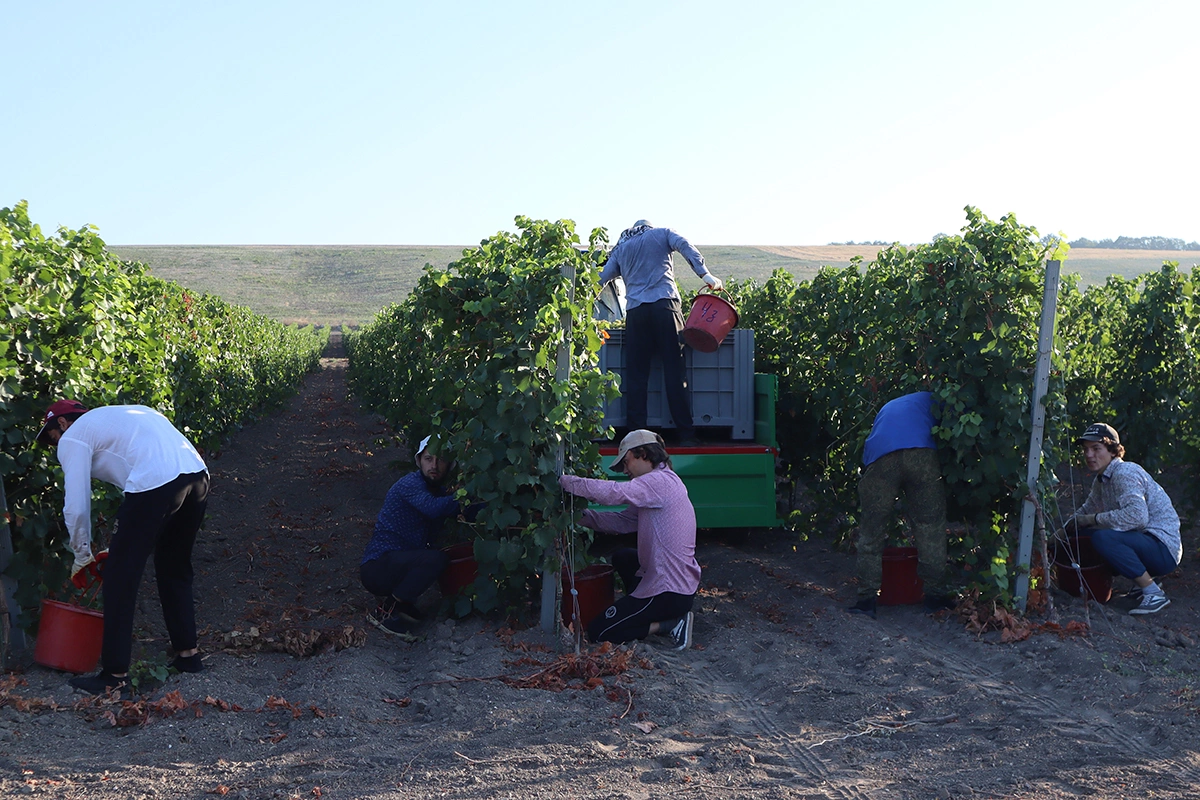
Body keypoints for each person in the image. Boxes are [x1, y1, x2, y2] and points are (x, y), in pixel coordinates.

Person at [36, 400, 210, 695]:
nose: (55, 447)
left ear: (63, 423)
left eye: (52, 437)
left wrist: (81, 555)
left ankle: (114, 676)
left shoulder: (74, 436)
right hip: (197, 475)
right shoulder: (123, 415)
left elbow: (77, 506)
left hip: (157, 482)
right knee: (174, 568)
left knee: (119, 578)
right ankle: (188, 657)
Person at [558, 429, 700, 649]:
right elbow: (623, 521)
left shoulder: (658, 481)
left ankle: (670, 624)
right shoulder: (663, 482)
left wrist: (567, 482)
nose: (625, 470)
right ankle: (641, 612)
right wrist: (578, 517)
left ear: (643, 453)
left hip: (668, 590)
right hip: (679, 585)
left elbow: (616, 493)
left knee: (599, 631)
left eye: (626, 462)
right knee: (624, 557)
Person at [599, 220, 724, 446]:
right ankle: (686, 434)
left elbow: (601, 277)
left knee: (636, 376)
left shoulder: (622, 249)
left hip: (636, 313)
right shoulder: (662, 234)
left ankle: (636, 438)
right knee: (675, 371)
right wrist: (705, 275)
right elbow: (686, 246)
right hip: (665, 306)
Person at [361, 434, 474, 641]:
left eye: (441, 460)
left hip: (397, 562)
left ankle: (402, 603)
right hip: (378, 566)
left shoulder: (437, 491)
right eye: (428, 459)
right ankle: (388, 610)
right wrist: (471, 492)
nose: (434, 465)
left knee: (436, 556)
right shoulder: (410, 485)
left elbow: (454, 508)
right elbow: (433, 509)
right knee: (436, 559)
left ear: (449, 465)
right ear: (419, 461)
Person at [850, 391, 952, 619]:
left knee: (872, 528)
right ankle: (935, 597)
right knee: (930, 524)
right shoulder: (941, 399)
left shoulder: (891, 405)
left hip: (881, 455)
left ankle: (866, 601)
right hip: (921, 453)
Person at [1062, 423, 1182, 615]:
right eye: (1086, 450)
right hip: (1145, 542)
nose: (1089, 455)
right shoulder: (1102, 479)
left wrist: (1092, 519)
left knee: (1103, 538)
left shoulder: (1125, 473)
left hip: (1163, 549)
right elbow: (1087, 509)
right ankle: (1143, 583)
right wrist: (1061, 533)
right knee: (1085, 532)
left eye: (1096, 449)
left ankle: (1153, 592)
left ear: (1112, 450)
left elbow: (1137, 517)